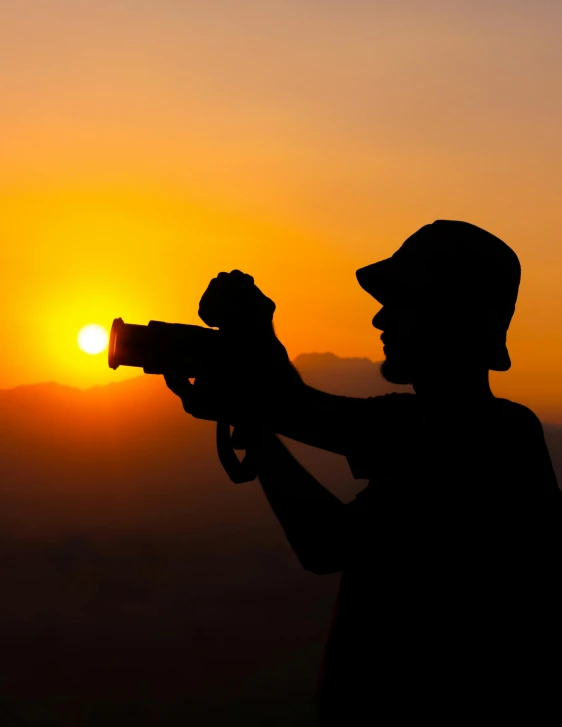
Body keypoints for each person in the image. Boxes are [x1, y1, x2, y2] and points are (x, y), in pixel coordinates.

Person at [164, 220, 561, 724]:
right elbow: (299, 408)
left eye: (400, 301)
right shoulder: (442, 423)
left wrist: (257, 429)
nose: (379, 319)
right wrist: (257, 344)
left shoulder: (493, 441)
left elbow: (326, 541)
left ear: (450, 315)